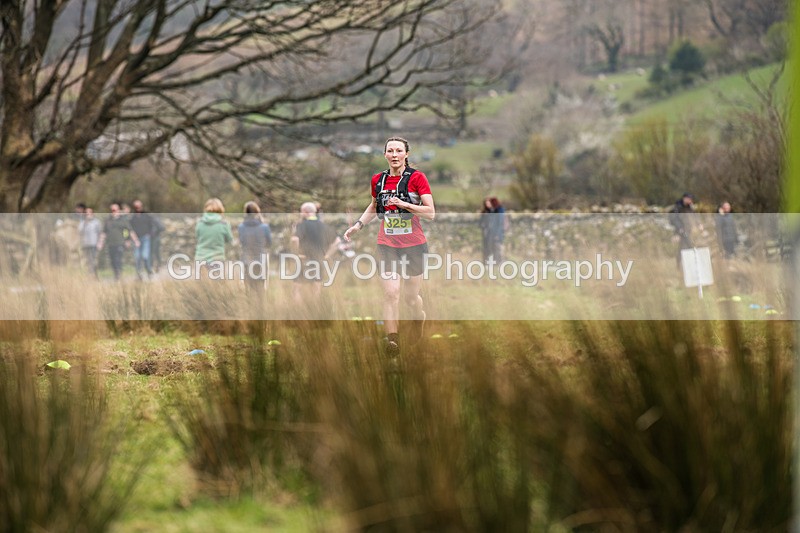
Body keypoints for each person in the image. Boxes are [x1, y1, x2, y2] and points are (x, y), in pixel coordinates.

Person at [343, 136, 435, 357]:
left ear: (406, 154)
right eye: (390, 151)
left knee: (410, 298)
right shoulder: (378, 180)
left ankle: (418, 318)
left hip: (414, 245)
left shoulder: (417, 178)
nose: (394, 155)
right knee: (391, 293)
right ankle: (392, 340)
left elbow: (431, 213)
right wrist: (358, 225)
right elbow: (374, 206)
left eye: (398, 151)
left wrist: (403, 204)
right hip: (387, 244)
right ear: (385, 154)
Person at [291, 202, 340, 308]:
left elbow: (295, 240)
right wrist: (327, 255)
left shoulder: (301, 225)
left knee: (297, 289)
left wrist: (298, 252)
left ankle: (297, 313)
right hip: (319, 260)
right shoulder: (324, 226)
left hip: (304, 260)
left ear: (305, 212)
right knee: (316, 289)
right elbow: (337, 242)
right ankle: (315, 312)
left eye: (301, 212)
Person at [97, 203, 139, 281]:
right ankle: (116, 273)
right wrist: (100, 242)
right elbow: (104, 233)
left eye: (115, 210)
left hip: (120, 243)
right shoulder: (108, 221)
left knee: (118, 259)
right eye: (112, 210)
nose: (113, 212)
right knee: (112, 260)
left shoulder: (123, 220)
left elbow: (129, 231)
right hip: (110, 244)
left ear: (118, 210)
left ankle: (118, 274)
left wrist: (134, 240)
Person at [238, 201, 272, 292]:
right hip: (261, 260)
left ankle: (249, 305)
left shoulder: (241, 227)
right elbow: (269, 243)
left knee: (248, 288)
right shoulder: (264, 227)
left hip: (246, 260)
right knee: (260, 288)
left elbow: (241, 242)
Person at [195, 198, 234, 272]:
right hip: (217, 258)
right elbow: (229, 239)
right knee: (218, 283)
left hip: (200, 259)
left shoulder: (199, 223)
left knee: (201, 283)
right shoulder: (224, 224)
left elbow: (197, 237)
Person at [130, 200, 156, 280]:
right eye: (136, 206)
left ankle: (149, 271)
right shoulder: (132, 217)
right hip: (136, 239)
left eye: (139, 206)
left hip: (145, 238)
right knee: (137, 257)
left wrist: (150, 235)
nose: (138, 208)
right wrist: (132, 239)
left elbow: (152, 226)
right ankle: (139, 274)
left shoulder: (147, 216)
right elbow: (130, 229)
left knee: (145, 256)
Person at [668, 192, 695, 267]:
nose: (690, 201)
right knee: (684, 247)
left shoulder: (690, 207)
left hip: (688, 230)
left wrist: (698, 224)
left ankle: (685, 264)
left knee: (685, 247)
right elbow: (674, 219)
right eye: (689, 199)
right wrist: (680, 228)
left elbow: (694, 217)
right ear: (684, 198)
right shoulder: (677, 207)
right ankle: (679, 264)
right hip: (680, 231)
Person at [479, 196, 506, 264]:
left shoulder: (499, 210)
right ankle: (490, 262)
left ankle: (499, 263)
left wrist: (496, 234)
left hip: (497, 234)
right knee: (489, 249)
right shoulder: (488, 211)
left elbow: (499, 222)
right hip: (489, 234)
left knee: (497, 249)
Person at [78, 207, 102, 278]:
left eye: (89, 212)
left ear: (92, 213)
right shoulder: (82, 223)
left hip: (94, 244)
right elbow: (80, 232)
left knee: (93, 261)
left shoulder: (96, 222)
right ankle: (90, 275)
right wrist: (85, 223)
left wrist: (100, 243)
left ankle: (94, 275)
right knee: (88, 261)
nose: (88, 214)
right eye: (87, 213)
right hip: (85, 245)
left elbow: (100, 233)